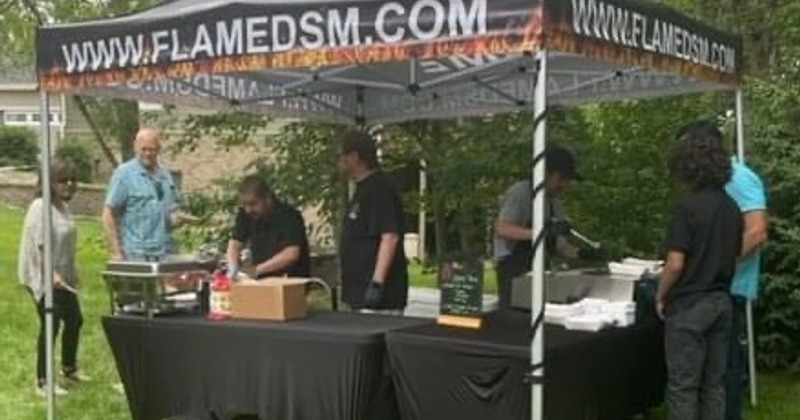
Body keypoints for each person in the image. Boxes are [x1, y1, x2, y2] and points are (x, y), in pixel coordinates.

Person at [676, 121, 769, 420]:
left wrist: (714, 262)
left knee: (724, 368)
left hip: (728, 286)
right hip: (710, 287)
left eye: (687, 146)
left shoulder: (741, 178)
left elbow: (756, 232)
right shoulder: (710, 181)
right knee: (709, 370)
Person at [657, 122, 744, 420]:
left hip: (689, 306)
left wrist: (660, 295)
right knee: (713, 386)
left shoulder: (686, 206)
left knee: (683, 388)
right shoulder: (732, 207)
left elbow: (676, 263)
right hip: (722, 302)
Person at [492, 146, 599, 310]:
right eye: (562, 178)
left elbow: (560, 246)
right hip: (515, 272)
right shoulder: (521, 193)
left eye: (567, 180)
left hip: (541, 272)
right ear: (546, 174)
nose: (565, 184)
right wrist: (540, 232)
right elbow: (503, 229)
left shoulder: (554, 203)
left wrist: (583, 254)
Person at [18, 159, 90, 397]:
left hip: (61, 275)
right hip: (41, 274)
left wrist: (71, 271)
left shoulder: (63, 208)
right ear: (49, 182)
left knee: (75, 320)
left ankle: (69, 367)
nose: (68, 184)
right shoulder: (40, 206)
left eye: (72, 180)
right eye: (62, 180)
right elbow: (39, 245)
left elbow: (65, 244)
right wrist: (50, 274)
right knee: (51, 323)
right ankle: (43, 381)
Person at [337, 130, 408, 315]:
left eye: (341, 156)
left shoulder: (379, 189)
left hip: (379, 299)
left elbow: (389, 236)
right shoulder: (361, 189)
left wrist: (376, 284)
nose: (339, 161)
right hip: (358, 293)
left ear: (354, 157)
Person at [102, 127, 190, 261]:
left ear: (158, 149)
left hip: (165, 251)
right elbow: (109, 213)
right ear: (135, 148)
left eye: (152, 149)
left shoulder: (165, 175)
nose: (148, 153)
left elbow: (169, 218)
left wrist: (178, 219)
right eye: (144, 149)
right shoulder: (124, 174)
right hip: (136, 254)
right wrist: (115, 252)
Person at [226, 175, 311, 279]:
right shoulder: (245, 215)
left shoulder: (289, 216)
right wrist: (233, 268)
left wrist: (256, 270)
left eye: (253, 204)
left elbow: (291, 254)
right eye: (244, 204)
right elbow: (234, 244)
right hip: (262, 281)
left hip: (291, 281)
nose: (248, 210)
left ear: (268, 198)